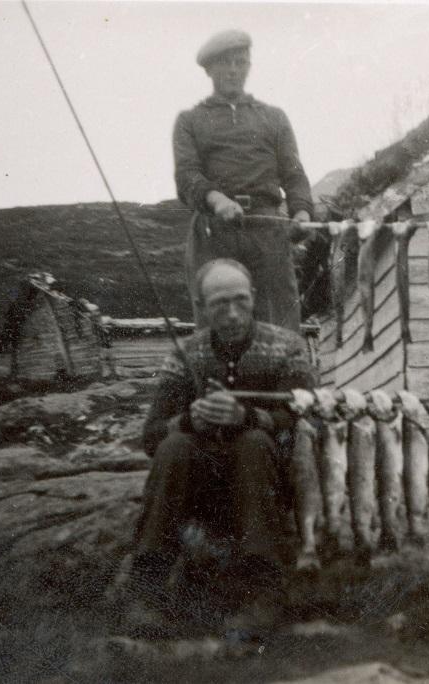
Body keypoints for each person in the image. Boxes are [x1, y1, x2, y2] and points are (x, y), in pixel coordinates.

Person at [124, 258, 317, 629]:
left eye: (240, 300)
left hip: (266, 480)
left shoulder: (288, 347)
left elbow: (303, 418)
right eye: (219, 304)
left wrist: (247, 417)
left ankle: (263, 590)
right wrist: (188, 420)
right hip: (199, 484)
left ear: (254, 297)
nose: (232, 314)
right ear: (201, 306)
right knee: (173, 446)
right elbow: (151, 437)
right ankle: (147, 589)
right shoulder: (185, 354)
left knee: (254, 442)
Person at [174, 29, 314, 332]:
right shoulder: (190, 121)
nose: (234, 70)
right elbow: (187, 176)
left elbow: (294, 173)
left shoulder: (274, 117)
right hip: (215, 233)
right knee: (219, 326)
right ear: (209, 69)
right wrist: (218, 200)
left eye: (241, 62)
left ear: (249, 66)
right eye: (226, 63)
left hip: (268, 233)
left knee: (280, 326)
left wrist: (301, 211)